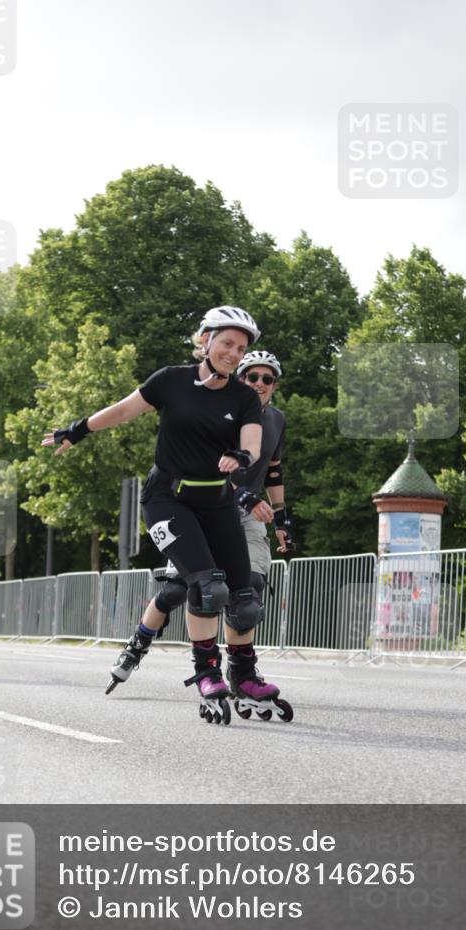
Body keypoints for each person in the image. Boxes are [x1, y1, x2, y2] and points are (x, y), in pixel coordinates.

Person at [43, 306, 291, 724]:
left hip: (217, 504)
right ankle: (207, 673)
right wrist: (78, 429)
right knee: (207, 588)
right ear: (205, 340)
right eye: (227, 343)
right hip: (168, 500)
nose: (233, 353)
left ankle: (245, 677)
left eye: (241, 347)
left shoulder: (244, 397)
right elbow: (124, 409)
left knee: (244, 601)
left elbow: (253, 439)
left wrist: (241, 454)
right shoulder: (171, 380)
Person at [106, 350, 295, 722]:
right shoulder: (219, 408)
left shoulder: (276, 420)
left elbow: (273, 469)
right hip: (198, 506)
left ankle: (242, 675)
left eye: (267, 379)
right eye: (251, 377)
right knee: (185, 589)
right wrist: (242, 495)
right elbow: (201, 463)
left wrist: (283, 518)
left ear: (274, 385)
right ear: (240, 379)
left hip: (248, 514)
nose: (259, 384)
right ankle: (138, 645)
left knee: (248, 592)